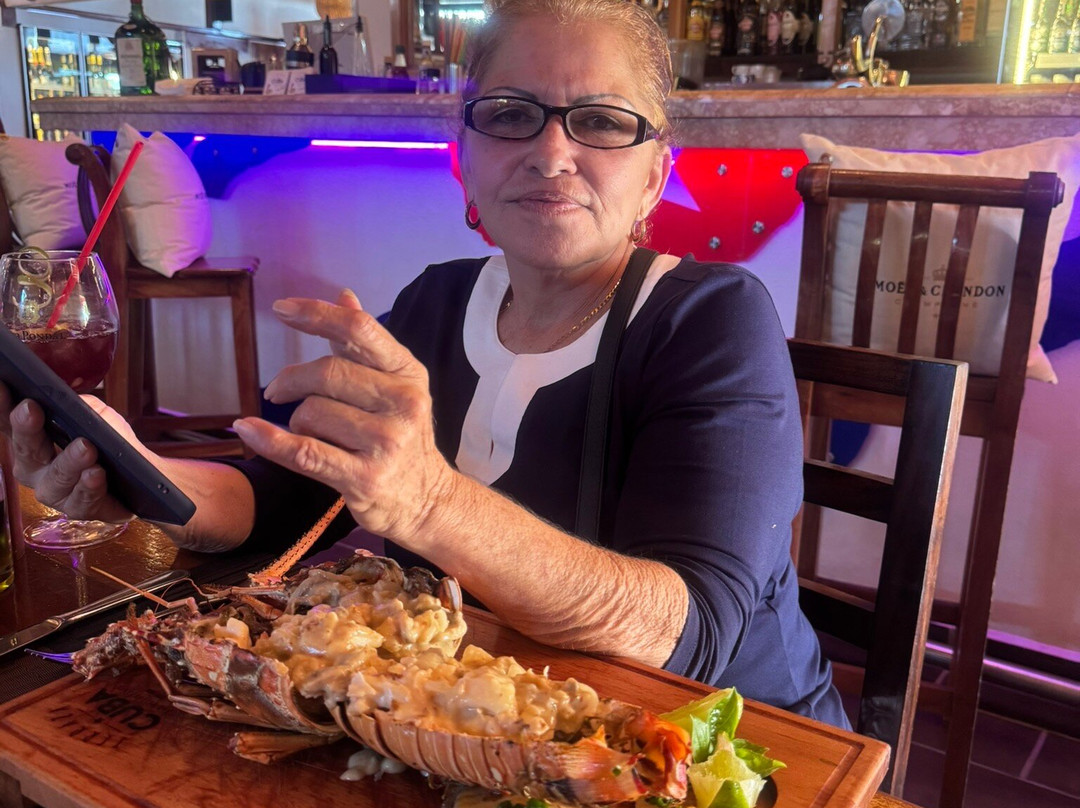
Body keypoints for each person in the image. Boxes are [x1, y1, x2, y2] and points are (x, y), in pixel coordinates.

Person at [0, 0, 847, 727]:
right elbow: (273, 503)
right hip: (490, 732)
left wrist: (430, 500)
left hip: (733, 750)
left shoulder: (711, 319)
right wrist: (134, 477)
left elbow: (687, 635)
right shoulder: (436, 302)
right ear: (463, 156)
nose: (552, 152)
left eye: (599, 120)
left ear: (655, 174)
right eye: (510, 114)